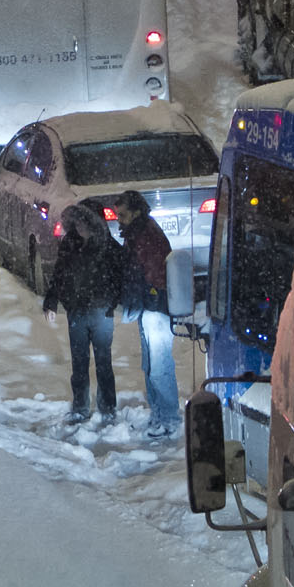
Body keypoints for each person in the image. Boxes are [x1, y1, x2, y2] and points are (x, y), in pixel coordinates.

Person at [42, 202, 124, 423]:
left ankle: (107, 406)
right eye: (76, 223)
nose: (78, 227)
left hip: (100, 311)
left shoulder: (108, 247)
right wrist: (52, 300)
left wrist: (112, 301)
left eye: (82, 222)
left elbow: (120, 276)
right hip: (78, 311)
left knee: (103, 361)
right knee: (79, 361)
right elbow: (60, 273)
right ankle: (81, 405)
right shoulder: (71, 244)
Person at [116, 189, 179, 440]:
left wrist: (144, 296)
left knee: (159, 366)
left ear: (136, 212)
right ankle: (159, 415)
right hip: (149, 306)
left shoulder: (145, 237)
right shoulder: (138, 233)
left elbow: (153, 275)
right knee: (151, 365)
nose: (118, 220)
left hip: (156, 308)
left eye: (122, 215)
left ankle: (169, 419)